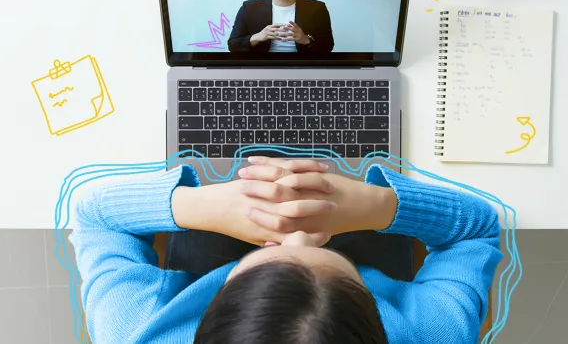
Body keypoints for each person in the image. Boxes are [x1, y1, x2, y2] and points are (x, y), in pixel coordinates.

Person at [70, 157, 503, 344]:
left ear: (219, 306)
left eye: (273, 253)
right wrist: (377, 205)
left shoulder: (137, 333)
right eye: (334, 260)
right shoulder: (435, 334)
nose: (294, 231)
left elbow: (94, 217)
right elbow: (477, 229)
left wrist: (198, 205)